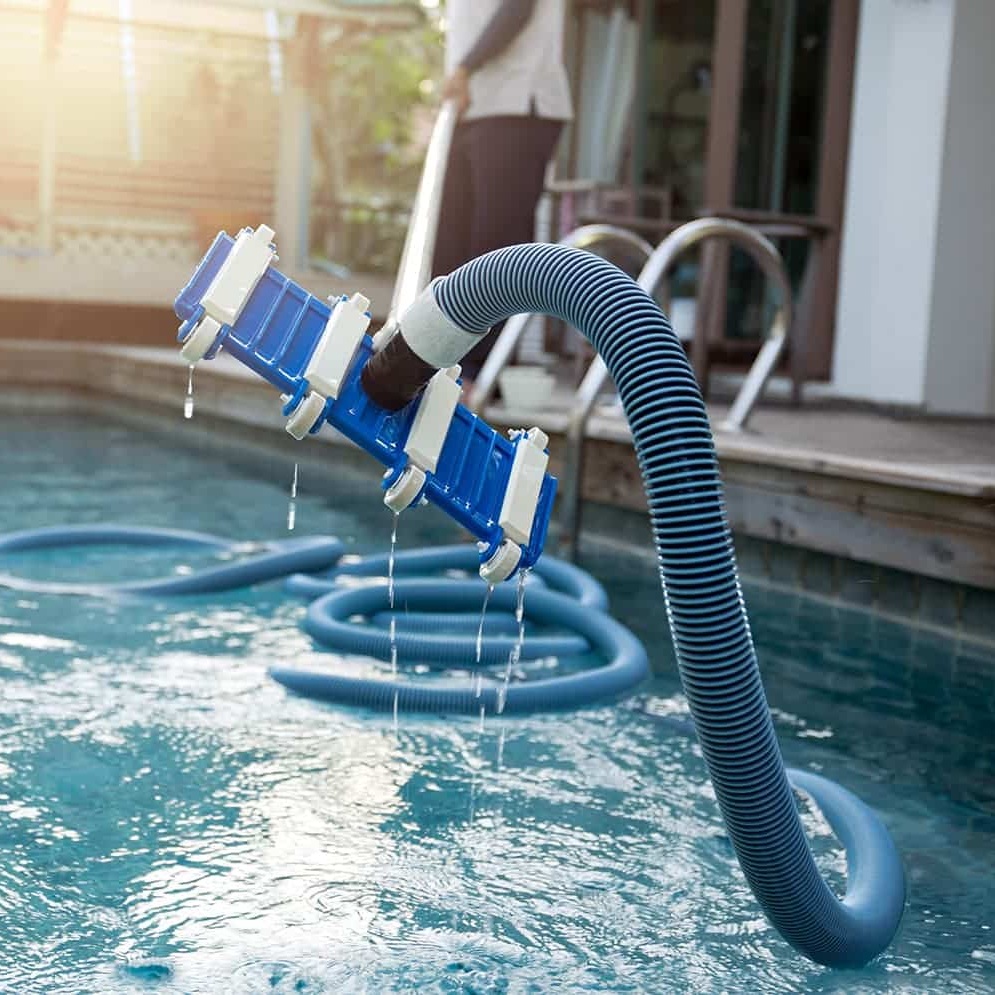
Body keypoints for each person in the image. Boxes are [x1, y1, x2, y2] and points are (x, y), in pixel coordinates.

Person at [432, 0, 573, 382]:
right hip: (471, 108)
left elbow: (517, 9)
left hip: (519, 103)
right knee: (450, 247)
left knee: (494, 251)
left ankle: (481, 374)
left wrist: (464, 68)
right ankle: (443, 365)